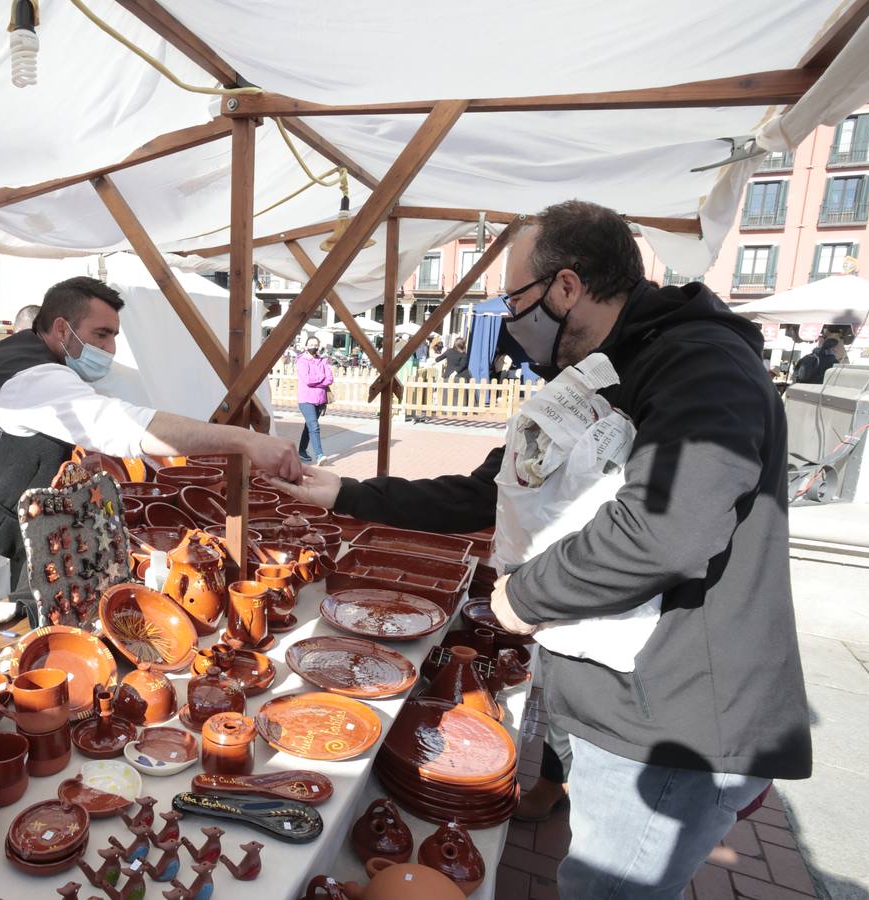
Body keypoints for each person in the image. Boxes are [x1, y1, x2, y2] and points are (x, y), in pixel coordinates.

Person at [273, 200, 810, 899]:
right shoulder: (601, 370)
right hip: (622, 694)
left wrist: (525, 593)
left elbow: (666, 527)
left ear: (564, 287)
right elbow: (482, 491)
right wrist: (344, 492)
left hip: (676, 720)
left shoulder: (699, 366)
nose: (509, 315)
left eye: (515, 296)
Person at [0, 276, 303, 626]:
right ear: (61, 328)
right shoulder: (35, 376)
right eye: (101, 334)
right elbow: (128, 426)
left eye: (113, 336)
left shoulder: (20, 352)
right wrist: (245, 440)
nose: (109, 350)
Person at [296, 336, 333, 466]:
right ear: (306, 346)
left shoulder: (323, 361)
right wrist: (321, 378)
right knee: (314, 426)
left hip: (320, 399)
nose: (314, 346)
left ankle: (301, 450)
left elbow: (330, 379)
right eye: (311, 344)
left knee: (309, 426)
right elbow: (307, 380)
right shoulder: (301, 361)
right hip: (306, 399)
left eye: (316, 344)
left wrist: (318, 380)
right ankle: (320, 455)